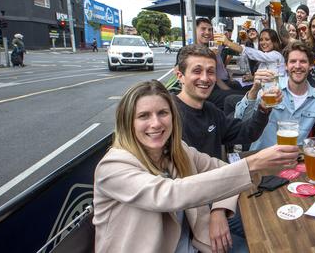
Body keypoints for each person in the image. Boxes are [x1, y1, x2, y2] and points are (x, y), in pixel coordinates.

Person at [93, 80, 299, 253]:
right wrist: (252, 163)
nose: (156, 123)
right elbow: (169, 194)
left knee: (271, 235)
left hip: (195, 242)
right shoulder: (113, 166)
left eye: (163, 113)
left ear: (173, 117)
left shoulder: (176, 150)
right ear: (127, 122)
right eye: (144, 116)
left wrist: (219, 209)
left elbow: (221, 170)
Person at [174, 44, 279, 251]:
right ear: (180, 75)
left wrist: (263, 108)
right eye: (197, 71)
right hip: (186, 216)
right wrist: (217, 210)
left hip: (215, 200)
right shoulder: (167, 115)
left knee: (270, 226)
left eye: (210, 72)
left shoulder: (211, 111)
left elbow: (246, 133)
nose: (205, 78)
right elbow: (181, 183)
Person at [235, 41, 315, 150]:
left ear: (311, 66)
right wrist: (253, 91)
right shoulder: (271, 88)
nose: (298, 66)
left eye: (303, 61)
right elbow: (240, 121)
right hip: (261, 159)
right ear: (286, 66)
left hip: (292, 161)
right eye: (293, 61)